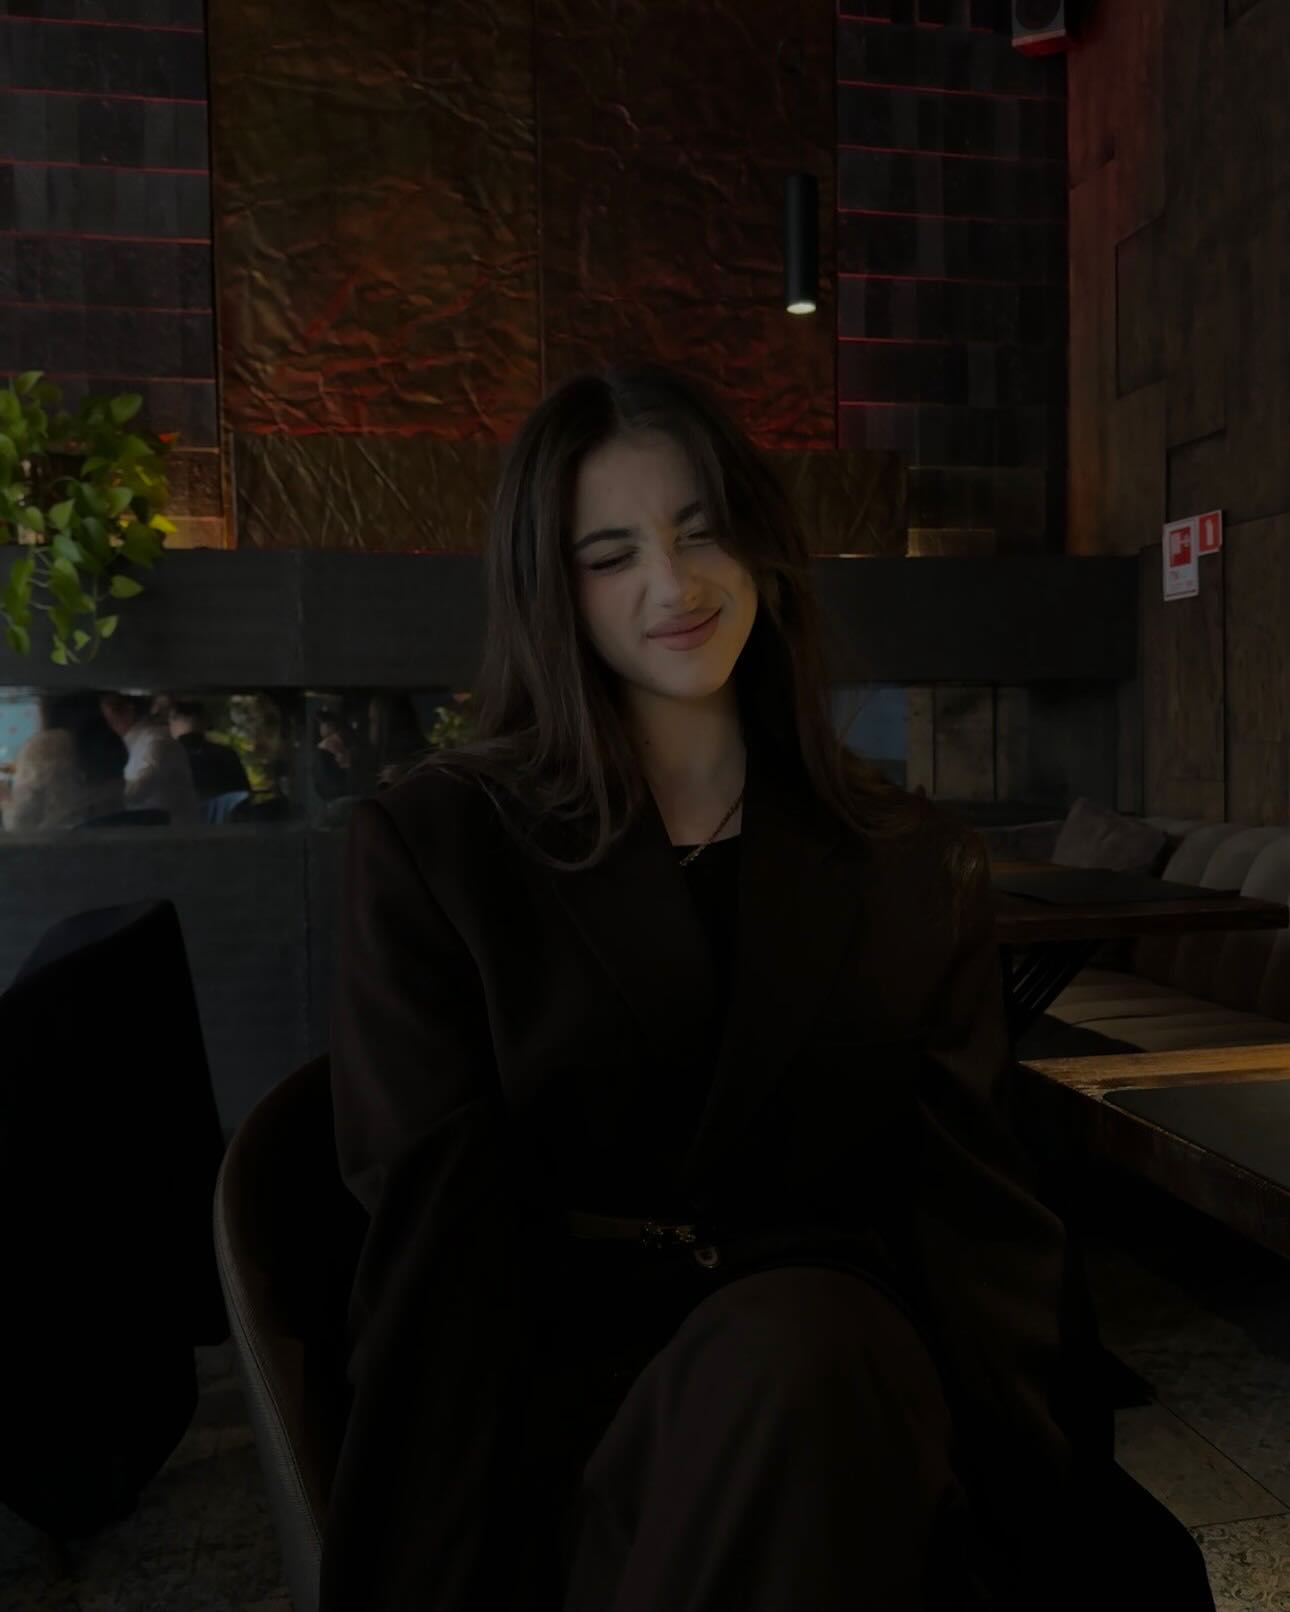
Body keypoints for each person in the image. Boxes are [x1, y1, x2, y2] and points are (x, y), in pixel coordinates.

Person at [320, 364, 1215, 1612]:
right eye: (611, 554)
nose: (673, 584)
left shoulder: (906, 857)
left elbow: (971, 1210)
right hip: (581, 1408)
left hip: (854, 1367)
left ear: (762, 546)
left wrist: (1044, 1478)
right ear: (549, 588)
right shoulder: (442, 847)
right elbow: (433, 1236)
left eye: (700, 532)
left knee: (815, 1369)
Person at [0, 692, 126, 832]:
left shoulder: (45, 747)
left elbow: (20, 823)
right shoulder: (111, 742)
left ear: (46, 710)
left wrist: (4, 799)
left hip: (57, 841)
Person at [99, 691, 200, 827]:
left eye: (111, 707)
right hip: (143, 830)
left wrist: (96, 795)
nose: (104, 717)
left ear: (129, 710)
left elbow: (138, 791)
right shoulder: (126, 744)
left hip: (172, 834)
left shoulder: (157, 742)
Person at [166, 698, 252, 802]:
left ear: (173, 721)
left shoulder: (164, 757)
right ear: (204, 721)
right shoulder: (226, 755)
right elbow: (244, 796)